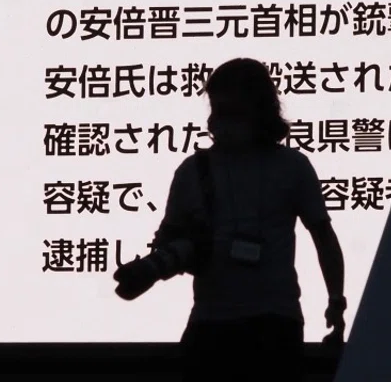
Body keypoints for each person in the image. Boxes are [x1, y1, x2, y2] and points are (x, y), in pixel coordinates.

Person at [113, 58, 346, 382]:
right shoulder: (192, 171)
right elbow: (169, 240)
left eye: (231, 109)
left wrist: (336, 302)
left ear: (259, 108)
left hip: (274, 323)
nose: (219, 119)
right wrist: (154, 267)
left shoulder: (292, 166)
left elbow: (324, 238)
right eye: (217, 108)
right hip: (212, 321)